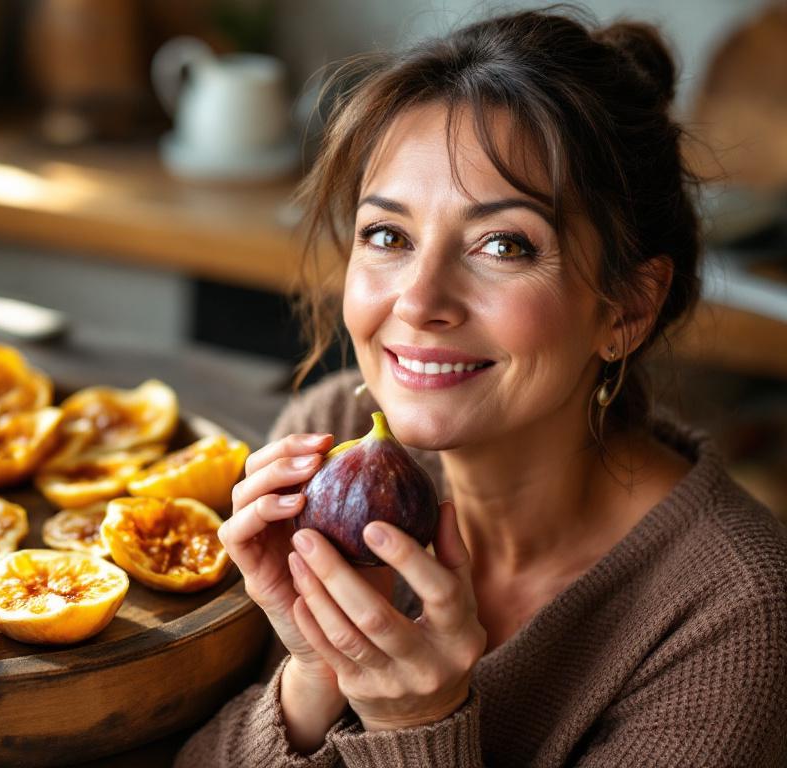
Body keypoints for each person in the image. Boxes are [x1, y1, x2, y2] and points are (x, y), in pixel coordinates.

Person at [175, 8, 787, 767]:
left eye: (503, 244)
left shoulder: (733, 616)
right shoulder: (327, 440)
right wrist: (312, 681)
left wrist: (415, 728)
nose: (420, 299)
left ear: (627, 308)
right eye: (388, 236)